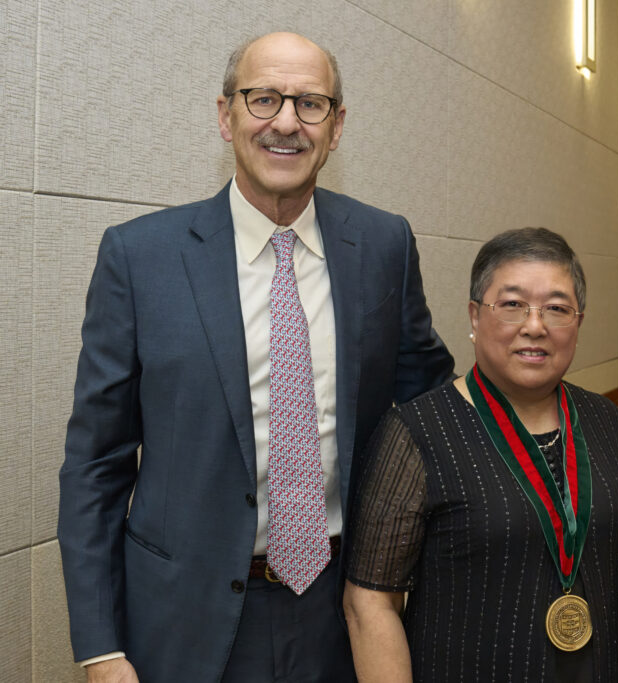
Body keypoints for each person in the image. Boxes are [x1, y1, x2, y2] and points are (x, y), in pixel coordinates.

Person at [58, 31, 454, 683]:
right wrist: (101, 648)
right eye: (263, 99)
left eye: (311, 104)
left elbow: (429, 408)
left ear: (338, 125)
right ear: (226, 116)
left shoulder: (384, 246)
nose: (287, 124)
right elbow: (96, 464)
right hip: (182, 621)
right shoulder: (140, 258)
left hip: (342, 612)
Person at [342, 227, 618, 682]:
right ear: (475, 317)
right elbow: (370, 602)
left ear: (578, 322)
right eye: (513, 304)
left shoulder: (603, 420)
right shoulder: (419, 431)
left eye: (557, 308)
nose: (534, 326)